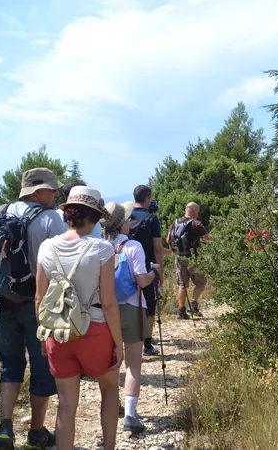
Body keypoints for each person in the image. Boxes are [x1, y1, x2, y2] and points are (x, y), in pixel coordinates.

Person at [35, 186, 124, 450]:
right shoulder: (102, 249)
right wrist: (118, 344)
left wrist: (42, 334)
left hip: (57, 332)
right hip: (95, 330)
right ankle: (108, 446)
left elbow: (39, 298)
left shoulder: (46, 247)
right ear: (95, 218)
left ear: (67, 215)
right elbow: (108, 303)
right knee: (109, 391)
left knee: (66, 404)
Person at [0, 168, 66, 450]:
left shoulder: (1, 213)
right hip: (38, 304)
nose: (56, 194)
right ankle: (36, 433)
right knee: (41, 368)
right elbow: (62, 265)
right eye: (52, 189)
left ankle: (5, 429)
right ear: (37, 192)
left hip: (4, 302)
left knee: (9, 366)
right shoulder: (51, 219)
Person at [102, 201, 161, 434]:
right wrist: (154, 271)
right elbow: (141, 281)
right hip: (132, 308)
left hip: (105, 311)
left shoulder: (99, 246)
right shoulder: (133, 246)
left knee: (110, 363)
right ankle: (130, 414)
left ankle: (112, 405)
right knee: (133, 364)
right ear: (122, 224)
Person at [128, 185, 164, 355]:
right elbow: (157, 248)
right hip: (147, 267)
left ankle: (129, 340)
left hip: (126, 266)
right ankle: (147, 344)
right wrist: (159, 270)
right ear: (147, 198)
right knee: (150, 305)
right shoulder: (152, 219)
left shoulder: (126, 215)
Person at [167, 202, 212, 319]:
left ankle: (181, 311)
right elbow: (207, 238)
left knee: (182, 284)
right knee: (201, 282)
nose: (198, 213)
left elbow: (168, 239)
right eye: (197, 211)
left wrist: (176, 250)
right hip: (193, 258)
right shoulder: (196, 224)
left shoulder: (175, 222)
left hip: (179, 257)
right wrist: (216, 237)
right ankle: (193, 305)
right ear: (193, 210)